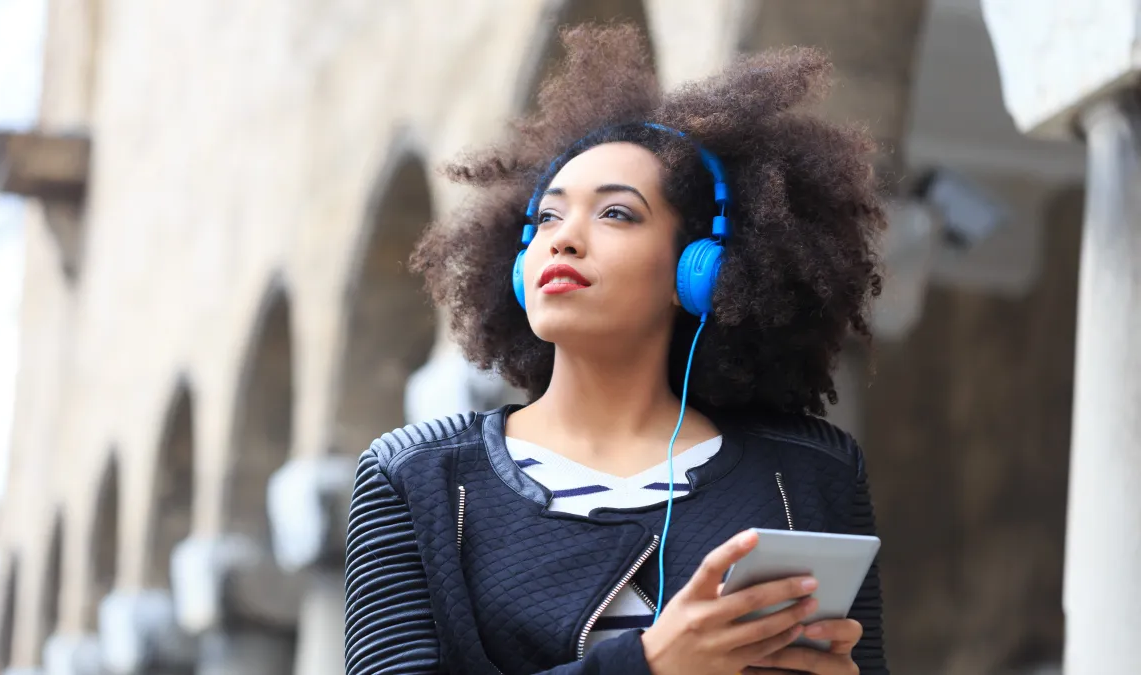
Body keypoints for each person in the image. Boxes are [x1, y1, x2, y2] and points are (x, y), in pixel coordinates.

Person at [344, 23, 887, 675]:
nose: (563, 239)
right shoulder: (416, 476)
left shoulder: (812, 472)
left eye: (616, 214)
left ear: (702, 267)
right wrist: (651, 663)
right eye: (547, 217)